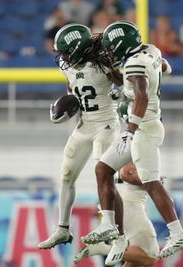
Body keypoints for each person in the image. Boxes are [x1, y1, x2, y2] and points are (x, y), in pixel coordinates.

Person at [81, 21, 183, 266]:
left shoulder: (135, 62)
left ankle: (178, 233)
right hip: (143, 125)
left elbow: (141, 95)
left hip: (143, 129)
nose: (110, 52)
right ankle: (109, 225)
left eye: (112, 47)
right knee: (103, 168)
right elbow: (164, 67)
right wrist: (117, 79)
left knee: (152, 183)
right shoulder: (150, 51)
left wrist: (129, 130)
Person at [38, 23, 124, 253]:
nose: (62, 57)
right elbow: (72, 87)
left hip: (106, 124)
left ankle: (115, 233)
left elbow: (124, 84)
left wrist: (120, 91)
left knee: (103, 175)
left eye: (66, 51)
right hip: (85, 125)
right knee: (66, 174)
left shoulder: (104, 62)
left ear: (77, 48)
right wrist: (67, 106)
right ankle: (63, 228)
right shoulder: (67, 65)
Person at [74, 163, 159, 267]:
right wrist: (154, 181)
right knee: (150, 258)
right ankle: (103, 248)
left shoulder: (116, 157)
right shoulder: (134, 155)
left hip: (123, 206)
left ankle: (104, 247)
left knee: (134, 261)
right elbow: (126, 174)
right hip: (129, 207)